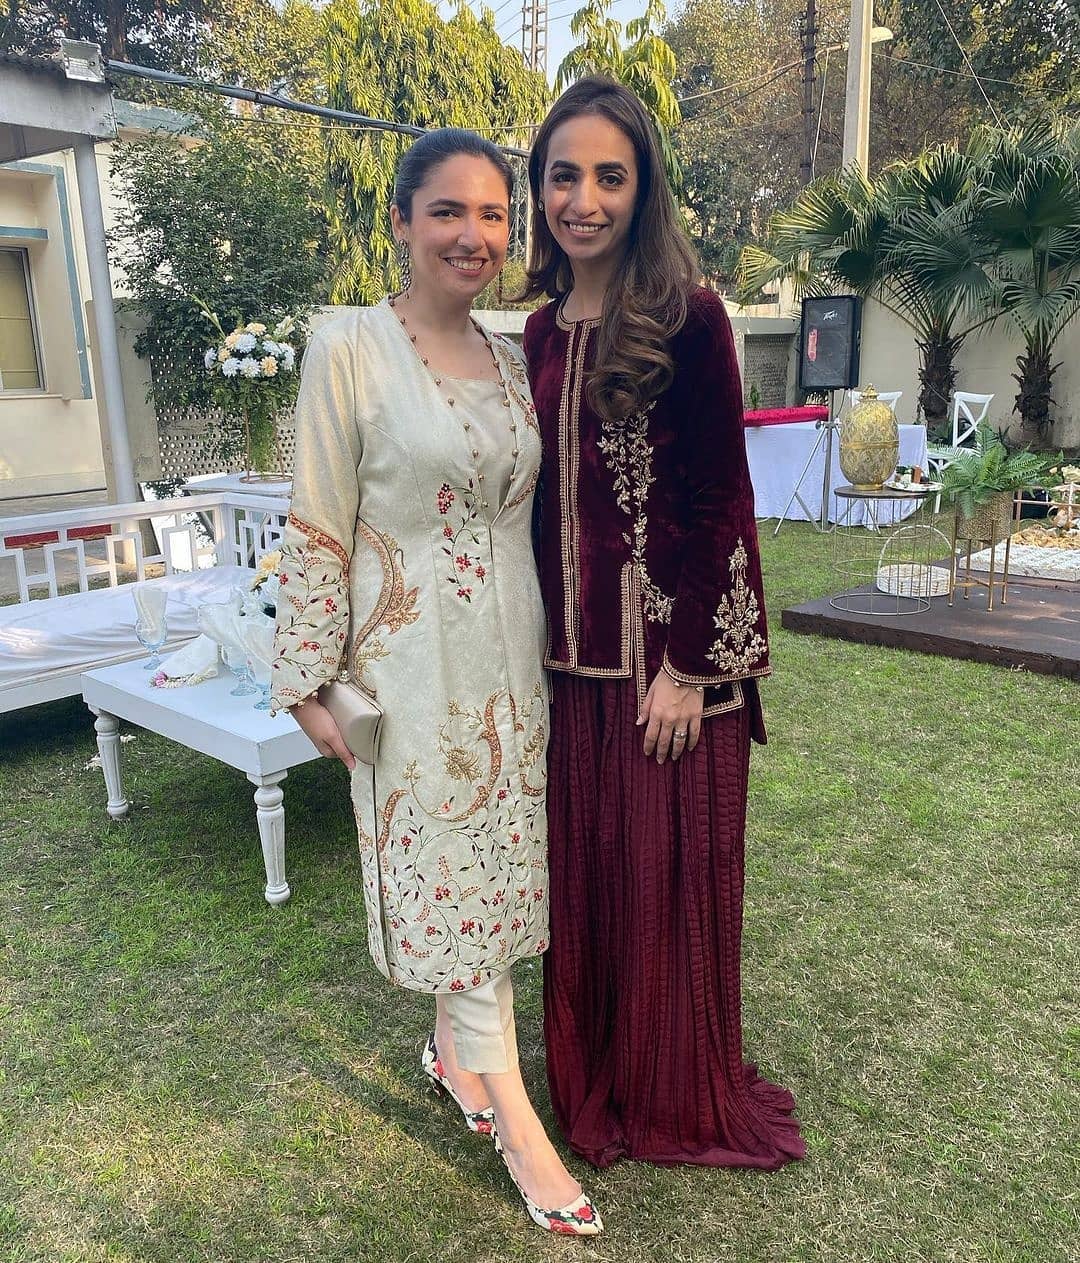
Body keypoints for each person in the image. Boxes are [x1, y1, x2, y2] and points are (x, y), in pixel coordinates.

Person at [270, 128, 601, 1235]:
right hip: (413, 668)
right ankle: (515, 1118)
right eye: (449, 212)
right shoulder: (349, 345)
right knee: (453, 878)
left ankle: (459, 1060)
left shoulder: (515, 355)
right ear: (403, 221)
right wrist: (307, 678)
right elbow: (317, 521)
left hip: (515, 658)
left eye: (496, 214)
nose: (476, 235)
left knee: (507, 880)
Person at [521, 77, 806, 1170]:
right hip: (563, 672)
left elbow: (719, 498)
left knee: (660, 890)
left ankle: (671, 1089)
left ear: (643, 192)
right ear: (539, 187)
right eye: (562, 175)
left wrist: (691, 667)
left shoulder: (689, 314)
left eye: (609, 176)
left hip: (662, 672)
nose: (582, 199)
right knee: (588, 890)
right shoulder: (539, 333)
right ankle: (596, 1076)